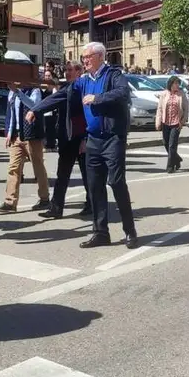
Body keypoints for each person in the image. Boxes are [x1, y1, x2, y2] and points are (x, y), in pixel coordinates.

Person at [25, 42, 137, 249]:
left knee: (116, 183)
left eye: (88, 56)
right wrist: (36, 110)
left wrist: (98, 98)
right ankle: (100, 232)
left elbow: (123, 93)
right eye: (83, 57)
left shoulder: (113, 75)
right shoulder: (83, 81)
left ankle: (130, 231)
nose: (84, 60)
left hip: (113, 139)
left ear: (99, 57)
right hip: (93, 140)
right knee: (94, 188)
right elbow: (61, 95)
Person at [20, 60, 90, 219]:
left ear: (79, 71)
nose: (67, 72)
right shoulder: (68, 87)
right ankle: (56, 208)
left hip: (81, 138)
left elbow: (87, 115)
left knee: (88, 175)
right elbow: (53, 100)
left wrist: (86, 138)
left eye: (71, 70)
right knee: (62, 174)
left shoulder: (82, 87)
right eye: (66, 70)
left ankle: (91, 204)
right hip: (67, 138)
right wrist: (35, 110)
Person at [0, 82, 49, 214]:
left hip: (32, 135)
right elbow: (11, 113)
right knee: (13, 167)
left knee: (38, 167)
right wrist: (9, 132)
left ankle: (45, 198)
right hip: (17, 135)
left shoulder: (34, 89)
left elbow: (34, 106)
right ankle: (10, 202)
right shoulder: (12, 92)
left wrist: (18, 92)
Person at [156, 76, 187, 174]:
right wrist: (158, 122)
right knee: (165, 143)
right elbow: (160, 109)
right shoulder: (164, 94)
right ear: (171, 84)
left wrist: (182, 122)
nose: (177, 85)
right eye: (175, 83)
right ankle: (177, 159)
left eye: (178, 83)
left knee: (172, 145)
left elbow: (186, 110)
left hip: (176, 123)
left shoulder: (181, 94)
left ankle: (170, 166)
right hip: (166, 122)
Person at [40, 69, 59, 152]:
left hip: (52, 110)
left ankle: (52, 145)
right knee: (46, 128)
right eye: (46, 76)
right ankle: (47, 145)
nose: (47, 77)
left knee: (51, 127)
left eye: (49, 76)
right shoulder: (42, 86)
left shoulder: (54, 86)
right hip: (45, 110)